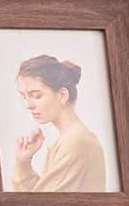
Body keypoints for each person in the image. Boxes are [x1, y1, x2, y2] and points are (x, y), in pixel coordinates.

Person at [8, 54, 108, 192]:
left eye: (36, 95)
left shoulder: (77, 142)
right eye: (24, 97)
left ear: (62, 95)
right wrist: (23, 162)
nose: (28, 105)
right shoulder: (69, 139)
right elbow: (41, 200)